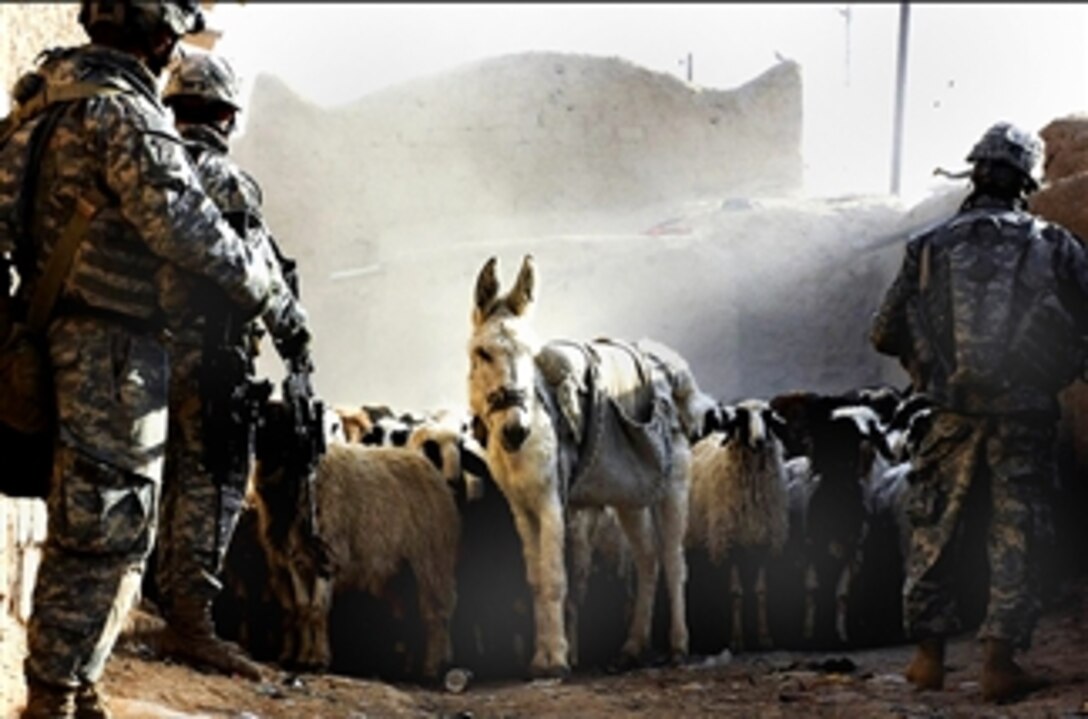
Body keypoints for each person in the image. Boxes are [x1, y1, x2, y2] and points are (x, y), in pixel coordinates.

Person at [0, 2, 311, 717]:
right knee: (105, 529)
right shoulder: (127, 120)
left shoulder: (38, 104)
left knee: (87, 518)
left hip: (43, 337)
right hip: (113, 354)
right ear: (162, 39)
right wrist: (274, 300)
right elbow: (193, 234)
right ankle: (54, 693)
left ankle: (74, 687)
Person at [870, 121, 1088, 703]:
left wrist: (929, 364)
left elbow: (882, 332)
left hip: (947, 411)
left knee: (934, 525)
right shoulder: (1057, 245)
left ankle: (927, 658)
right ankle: (999, 661)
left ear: (976, 172)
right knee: (1017, 527)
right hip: (1024, 414)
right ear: (1028, 179)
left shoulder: (928, 246)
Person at [153, 50, 308, 680]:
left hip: (133, 354)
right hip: (209, 361)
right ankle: (190, 625)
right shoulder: (226, 181)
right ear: (225, 114)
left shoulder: (151, 166)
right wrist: (294, 335)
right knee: (209, 486)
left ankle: (143, 605)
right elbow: (259, 275)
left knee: (145, 482)